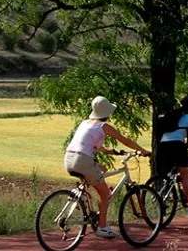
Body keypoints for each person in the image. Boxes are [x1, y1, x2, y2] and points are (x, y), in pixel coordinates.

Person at [63, 96, 151, 239]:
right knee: (105, 194)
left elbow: (88, 142)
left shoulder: (85, 123)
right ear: (107, 112)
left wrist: (106, 151)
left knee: (102, 169)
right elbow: (125, 140)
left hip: (69, 158)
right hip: (83, 160)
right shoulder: (104, 126)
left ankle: (89, 204)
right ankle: (102, 227)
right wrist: (143, 151)